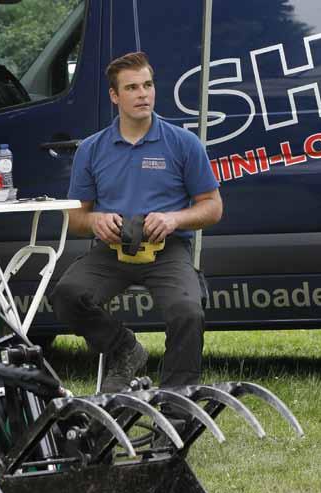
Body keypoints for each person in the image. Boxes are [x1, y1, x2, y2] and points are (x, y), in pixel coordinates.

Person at [51, 51, 222, 392]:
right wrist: (95, 221)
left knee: (188, 311)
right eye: (132, 88)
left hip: (167, 250)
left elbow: (213, 207)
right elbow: (76, 218)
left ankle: (176, 403)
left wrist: (175, 219)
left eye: (147, 85)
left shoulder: (183, 143)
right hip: (112, 250)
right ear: (115, 96)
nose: (143, 94)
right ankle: (124, 349)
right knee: (66, 295)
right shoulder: (92, 148)